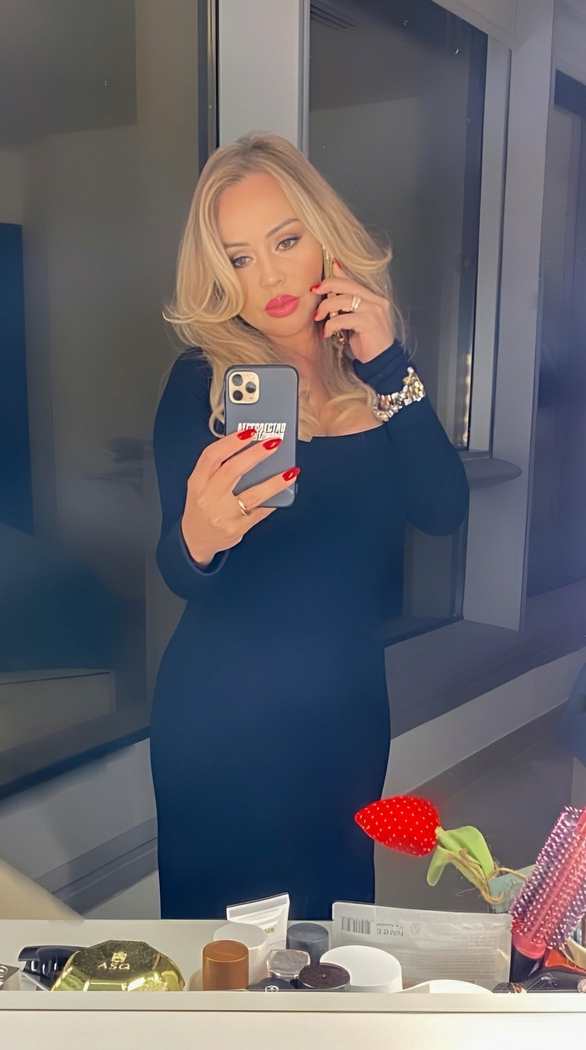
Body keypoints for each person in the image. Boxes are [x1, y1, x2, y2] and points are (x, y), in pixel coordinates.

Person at [151, 132, 469, 920]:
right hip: (224, 718)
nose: (267, 277)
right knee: (226, 956)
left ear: (324, 237)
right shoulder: (203, 383)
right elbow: (177, 569)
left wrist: (390, 362)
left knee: (333, 937)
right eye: (239, 258)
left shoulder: (372, 373)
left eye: (285, 241)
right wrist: (200, 535)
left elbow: (443, 509)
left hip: (348, 714)